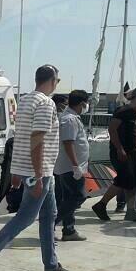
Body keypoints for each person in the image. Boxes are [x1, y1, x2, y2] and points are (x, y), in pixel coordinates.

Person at [0, 65, 77, 271]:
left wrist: (16, 172)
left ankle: (51, 266)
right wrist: (38, 176)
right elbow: (36, 140)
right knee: (26, 216)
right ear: (52, 80)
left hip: (32, 169)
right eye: (57, 80)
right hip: (39, 171)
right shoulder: (46, 103)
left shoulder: (26, 101)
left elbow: (19, 138)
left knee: (49, 216)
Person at [92, 87, 136, 222]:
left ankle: (130, 210)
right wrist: (119, 149)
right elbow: (112, 129)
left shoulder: (135, 112)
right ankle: (101, 204)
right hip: (121, 152)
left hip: (132, 150)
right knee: (124, 179)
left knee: (133, 181)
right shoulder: (124, 111)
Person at [53, 90, 90, 242]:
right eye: (86, 103)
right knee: (78, 196)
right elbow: (68, 143)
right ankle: (50, 223)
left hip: (72, 166)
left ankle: (69, 230)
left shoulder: (72, 118)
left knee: (68, 198)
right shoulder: (69, 119)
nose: (87, 106)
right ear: (82, 103)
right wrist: (76, 166)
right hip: (70, 168)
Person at [0, 136, 16, 216]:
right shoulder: (12, 141)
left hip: (11, 169)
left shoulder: (13, 141)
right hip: (9, 169)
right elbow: (9, 158)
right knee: (4, 191)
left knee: (5, 191)